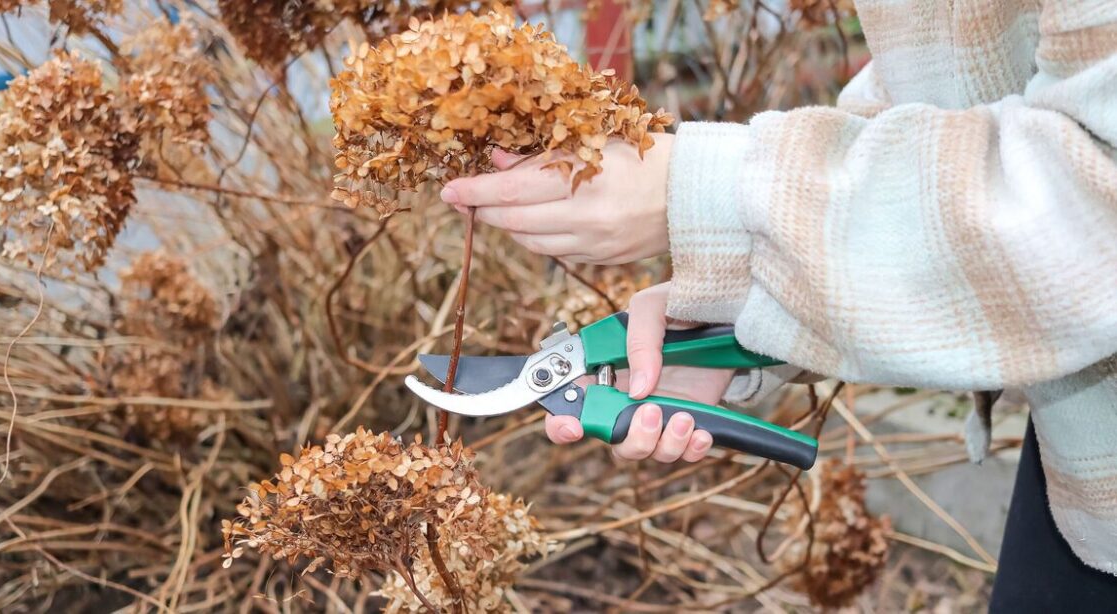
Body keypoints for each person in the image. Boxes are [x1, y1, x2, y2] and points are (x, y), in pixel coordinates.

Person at [438, 0, 1117, 609]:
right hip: (1087, 466)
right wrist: (748, 294)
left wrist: (713, 200)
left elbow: (1096, 195)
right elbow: (940, 87)